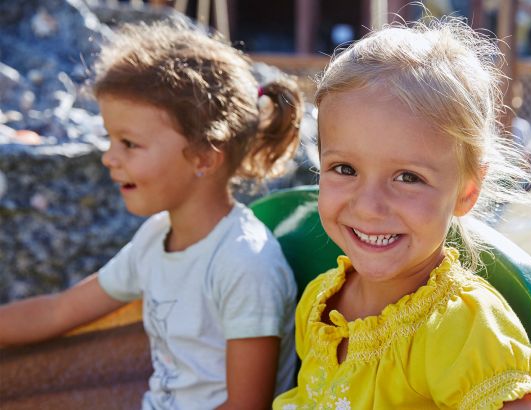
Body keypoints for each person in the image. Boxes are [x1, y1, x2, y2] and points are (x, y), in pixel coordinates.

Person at [0, 22, 303, 409]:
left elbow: (247, 406)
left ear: (205, 156)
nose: (109, 158)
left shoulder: (243, 264)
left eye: (129, 144)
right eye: (110, 139)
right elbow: (60, 311)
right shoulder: (156, 238)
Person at [274, 17, 531, 410]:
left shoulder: (460, 326)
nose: (369, 206)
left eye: (408, 177)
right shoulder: (318, 304)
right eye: (345, 169)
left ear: (466, 192)